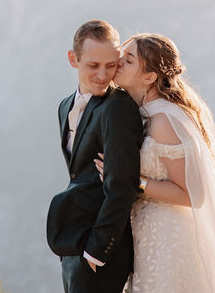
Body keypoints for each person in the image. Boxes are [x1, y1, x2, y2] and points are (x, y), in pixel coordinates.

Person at [97, 33, 215, 293]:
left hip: (166, 238)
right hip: (141, 232)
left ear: (149, 77)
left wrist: (130, 181)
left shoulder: (164, 120)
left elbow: (192, 195)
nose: (118, 62)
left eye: (128, 60)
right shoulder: (136, 112)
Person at [47, 20, 145, 293]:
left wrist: (96, 251)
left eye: (111, 65)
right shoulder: (64, 106)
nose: (103, 75)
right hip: (73, 246)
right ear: (73, 59)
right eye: (93, 66)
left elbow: (122, 186)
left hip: (101, 254)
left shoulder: (118, 108)